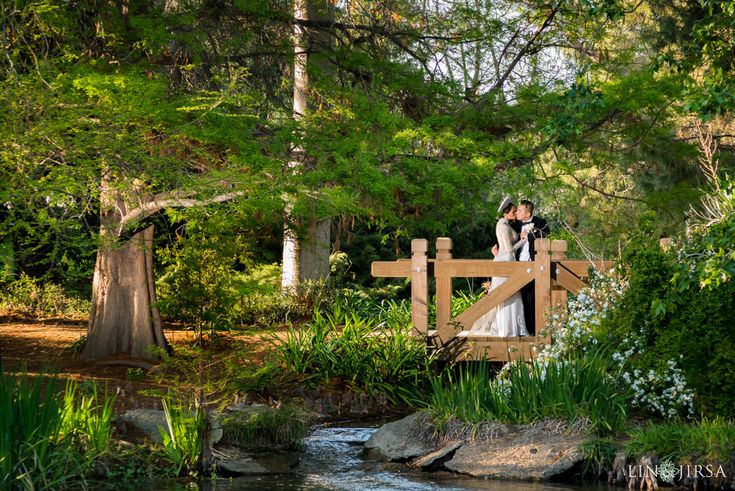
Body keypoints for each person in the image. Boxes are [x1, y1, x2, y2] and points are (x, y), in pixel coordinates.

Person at [470, 197, 528, 336]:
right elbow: (508, 249)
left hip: (508, 259)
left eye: (516, 211)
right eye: (514, 211)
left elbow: (505, 243)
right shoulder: (501, 225)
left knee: (512, 293)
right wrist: (523, 240)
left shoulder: (507, 224)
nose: (515, 213)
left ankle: (512, 327)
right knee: (504, 294)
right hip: (505, 260)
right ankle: (504, 327)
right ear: (506, 212)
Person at [494, 199, 550, 335]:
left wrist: (530, 236)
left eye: (519, 210)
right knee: (519, 298)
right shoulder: (516, 224)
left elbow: (546, 233)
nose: (517, 212)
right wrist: (496, 248)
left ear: (528, 213)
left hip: (534, 265)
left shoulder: (540, 222)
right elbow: (504, 236)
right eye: (516, 210)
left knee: (532, 298)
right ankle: (520, 328)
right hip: (517, 264)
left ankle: (536, 330)